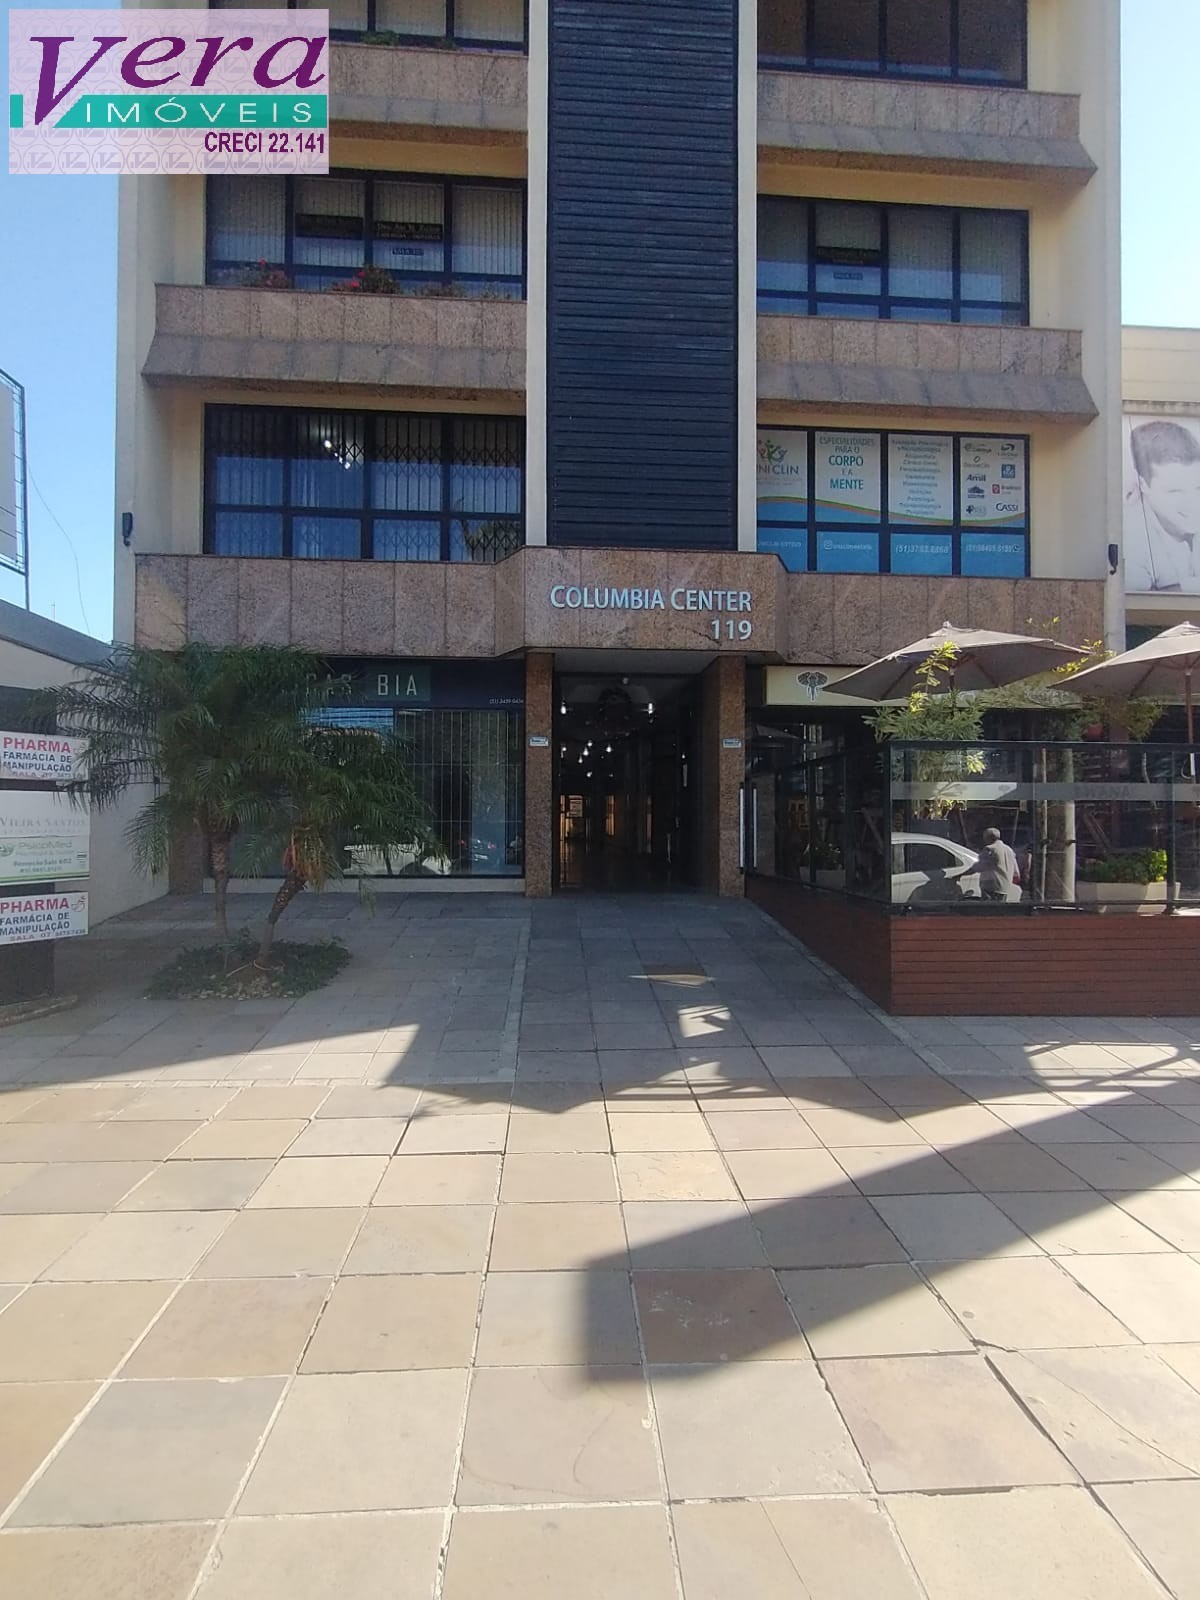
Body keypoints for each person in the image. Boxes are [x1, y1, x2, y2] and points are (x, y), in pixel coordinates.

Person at [1125, 420, 1200, 593]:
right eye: (1174, 491)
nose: (1192, 503)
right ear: (1143, 485)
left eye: (1198, 488)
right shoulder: (1128, 538)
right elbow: (1140, 601)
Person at [976, 827, 1019, 902]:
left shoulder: (989, 849)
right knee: (1000, 907)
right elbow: (1016, 873)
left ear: (987, 838)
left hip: (990, 886)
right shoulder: (1009, 850)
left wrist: (963, 873)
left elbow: (980, 866)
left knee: (987, 908)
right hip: (1005, 887)